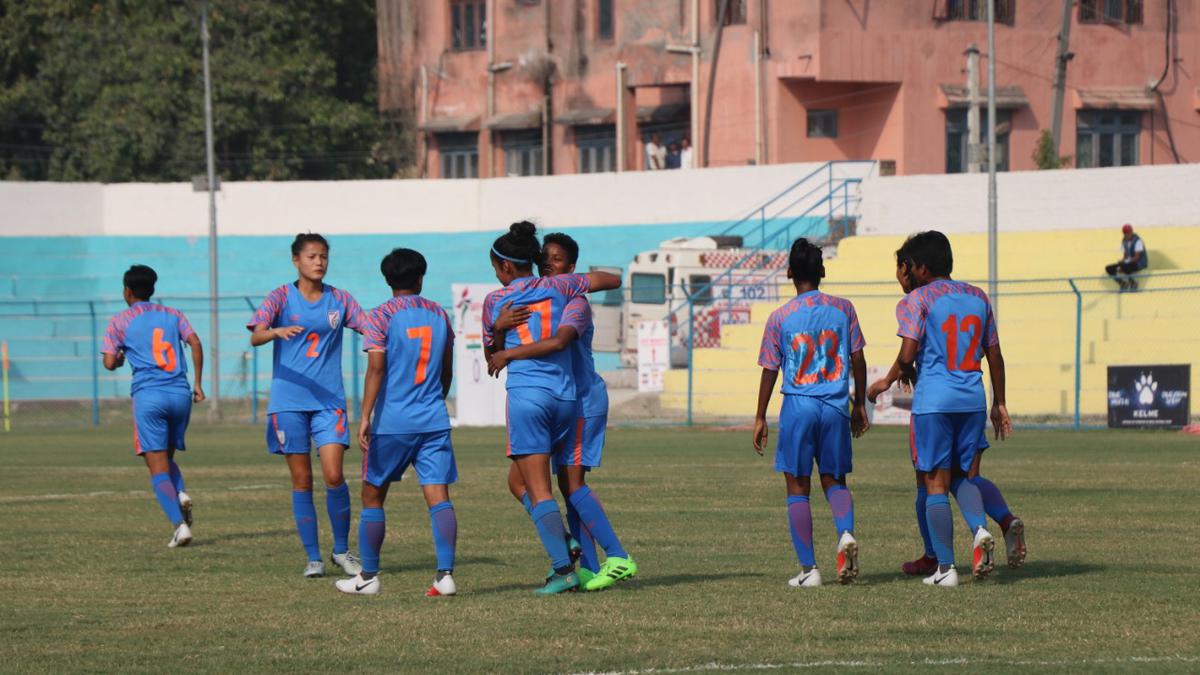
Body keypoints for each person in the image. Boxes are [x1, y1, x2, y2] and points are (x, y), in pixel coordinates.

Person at [488, 233, 635, 592]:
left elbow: (558, 341)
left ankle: (613, 557)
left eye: (557, 260)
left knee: (571, 486)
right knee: (519, 482)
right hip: (564, 397)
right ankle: (581, 559)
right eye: (545, 258)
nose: (549, 264)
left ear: (571, 267)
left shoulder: (574, 300)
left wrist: (506, 350)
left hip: (582, 400)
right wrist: (499, 331)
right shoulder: (549, 292)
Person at [867, 249, 1026, 577]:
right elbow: (994, 354)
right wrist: (1000, 402)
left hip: (934, 401)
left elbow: (908, 351)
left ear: (918, 267)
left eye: (901, 267)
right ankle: (985, 529)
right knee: (965, 476)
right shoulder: (977, 295)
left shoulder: (918, 299)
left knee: (931, 483)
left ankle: (942, 564)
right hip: (972, 398)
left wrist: (892, 378)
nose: (900, 274)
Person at [337, 248, 458, 597]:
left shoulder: (381, 316)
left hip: (393, 421)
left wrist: (364, 416)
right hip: (433, 419)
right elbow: (446, 369)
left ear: (388, 279)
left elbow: (376, 368)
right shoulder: (439, 314)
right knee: (438, 496)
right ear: (421, 277)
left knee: (372, 495)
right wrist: (435, 399)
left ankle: (368, 577)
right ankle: (445, 575)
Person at [248, 233, 367, 579]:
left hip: (329, 403)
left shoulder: (340, 299)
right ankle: (313, 557)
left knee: (334, 475)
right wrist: (274, 331)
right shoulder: (280, 297)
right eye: (312, 256)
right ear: (296, 260)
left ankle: (342, 551)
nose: (319, 262)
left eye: (324, 256)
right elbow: (256, 334)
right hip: (288, 403)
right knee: (302, 480)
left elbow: (369, 327)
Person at [752, 238, 869, 588]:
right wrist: (859, 402)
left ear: (789, 272)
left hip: (799, 407)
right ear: (822, 271)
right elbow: (858, 358)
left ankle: (809, 570)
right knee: (834, 480)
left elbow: (770, 369)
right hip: (835, 406)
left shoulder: (780, 317)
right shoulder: (843, 309)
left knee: (797, 487)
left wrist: (760, 416)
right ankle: (845, 533)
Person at [101, 265, 205, 548]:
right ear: (152, 289)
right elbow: (194, 342)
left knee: (156, 466)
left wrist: (121, 358)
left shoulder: (120, 320)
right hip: (180, 394)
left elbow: (109, 362)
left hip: (150, 396)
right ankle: (180, 494)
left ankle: (179, 525)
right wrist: (197, 383)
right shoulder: (173, 315)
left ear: (127, 291)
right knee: (166, 457)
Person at [1105, 224, 1148, 291]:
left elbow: (1137, 257)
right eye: (1125, 233)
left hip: (1139, 263)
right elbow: (1125, 256)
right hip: (1128, 263)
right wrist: (1122, 261)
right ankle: (1122, 283)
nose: (1127, 235)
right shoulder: (1124, 241)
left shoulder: (1138, 241)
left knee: (1124, 266)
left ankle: (1133, 283)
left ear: (1132, 232)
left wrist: (1124, 263)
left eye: (1128, 233)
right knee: (1108, 268)